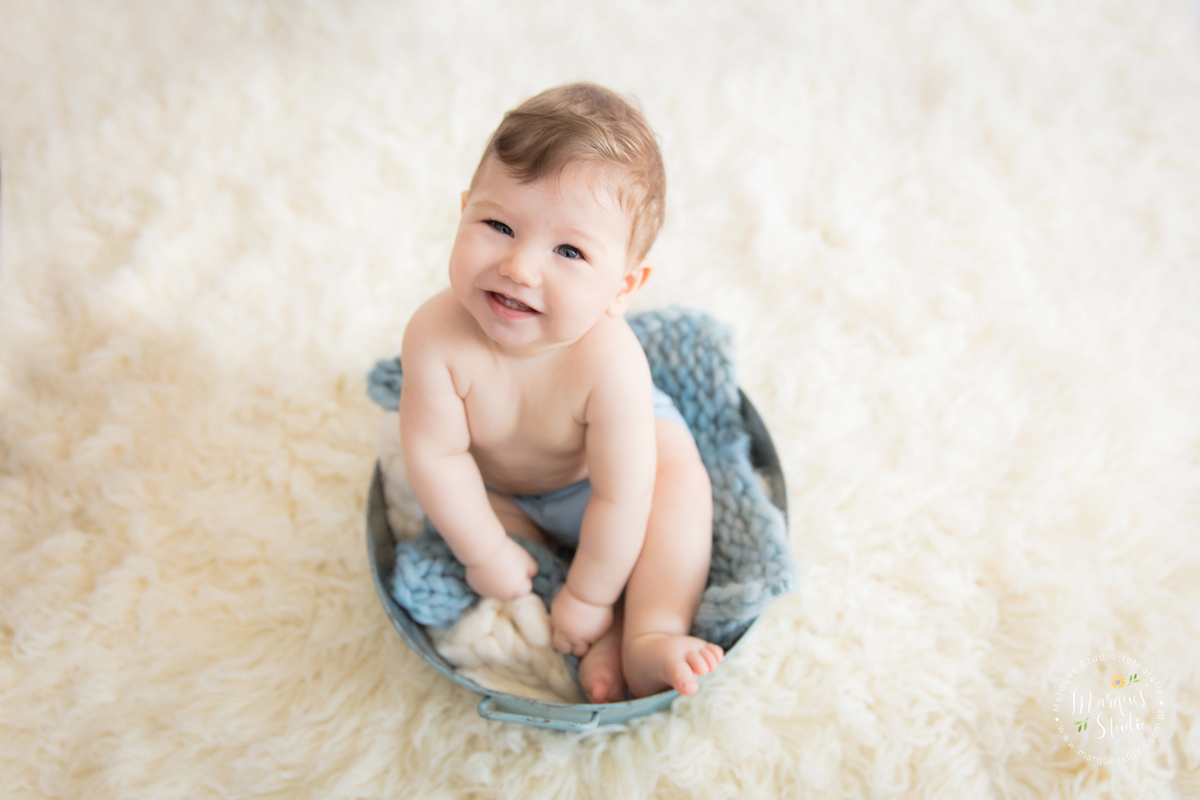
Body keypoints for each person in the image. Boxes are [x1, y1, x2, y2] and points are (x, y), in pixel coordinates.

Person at [399, 83, 722, 702]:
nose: (520, 267)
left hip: (610, 483)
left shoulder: (611, 362)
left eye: (569, 250)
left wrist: (588, 594)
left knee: (679, 492)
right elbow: (437, 456)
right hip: (505, 488)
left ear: (623, 287)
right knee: (455, 512)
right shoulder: (435, 336)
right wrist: (485, 549)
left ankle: (648, 630)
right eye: (498, 224)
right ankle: (595, 623)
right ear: (463, 210)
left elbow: (621, 497)